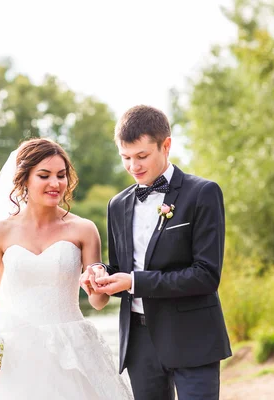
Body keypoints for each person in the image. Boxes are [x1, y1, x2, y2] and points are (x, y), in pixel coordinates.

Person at [0, 138, 133, 399]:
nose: (55, 183)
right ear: (24, 179)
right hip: (16, 349)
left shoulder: (84, 229)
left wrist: (96, 284)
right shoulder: (0, 232)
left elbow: (98, 302)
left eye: (61, 175)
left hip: (72, 348)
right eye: (44, 175)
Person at [80, 105, 232, 400]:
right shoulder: (117, 204)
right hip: (139, 342)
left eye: (142, 156)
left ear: (167, 145)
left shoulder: (203, 193)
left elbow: (205, 275)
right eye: (126, 158)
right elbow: (122, 266)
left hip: (192, 337)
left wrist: (134, 282)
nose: (133, 166)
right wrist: (100, 272)